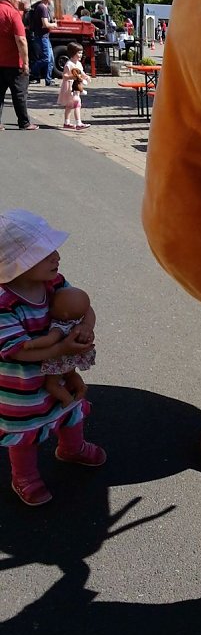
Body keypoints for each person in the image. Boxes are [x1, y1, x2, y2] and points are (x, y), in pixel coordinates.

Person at [0, 209, 106, 506]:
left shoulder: (55, 283)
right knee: (24, 431)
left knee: (71, 407)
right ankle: (24, 476)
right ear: (14, 263)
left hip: (59, 371)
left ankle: (72, 447)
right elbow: (18, 350)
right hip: (20, 385)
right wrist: (62, 350)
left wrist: (85, 327)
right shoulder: (5, 303)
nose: (56, 256)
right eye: (44, 253)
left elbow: (84, 306)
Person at [23, 286, 96, 407]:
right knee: (71, 374)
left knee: (51, 384)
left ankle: (66, 398)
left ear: (64, 314)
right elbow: (88, 310)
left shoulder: (60, 326)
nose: (49, 309)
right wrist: (87, 327)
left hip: (59, 360)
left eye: (52, 307)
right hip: (73, 358)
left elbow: (49, 340)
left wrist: (32, 344)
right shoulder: (78, 322)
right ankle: (81, 387)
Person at [0, 0, 38, 131]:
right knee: (20, 93)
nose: (19, 0)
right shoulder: (12, 13)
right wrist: (26, 62)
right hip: (13, 62)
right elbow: (21, 40)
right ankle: (24, 122)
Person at [57, 41, 91, 130]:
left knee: (70, 105)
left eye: (81, 53)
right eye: (78, 53)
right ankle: (78, 123)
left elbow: (81, 72)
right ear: (73, 53)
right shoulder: (69, 64)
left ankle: (66, 122)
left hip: (76, 87)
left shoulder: (78, 64)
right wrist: (72, 77)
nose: (80, 55)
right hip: (70, 87)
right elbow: (64, 76)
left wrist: (86, 76)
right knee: (77, 103)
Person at [30, 0, 57, 86]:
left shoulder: (42, 7)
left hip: (44, 36)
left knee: (50, 59)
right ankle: (31, 71)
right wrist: (54, 24)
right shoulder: (43, 8)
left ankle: (48, 80)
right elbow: (45, 24)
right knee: (46, 58)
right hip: (42, 37)